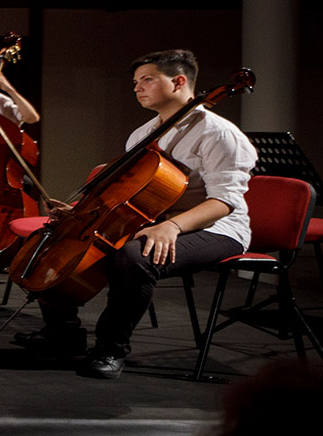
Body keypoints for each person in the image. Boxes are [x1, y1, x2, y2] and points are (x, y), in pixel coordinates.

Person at [16, 49, 253, 379]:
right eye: (135, 82)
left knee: (134, 258)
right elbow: (129, 194)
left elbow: (224, 202)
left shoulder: (219, 134)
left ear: (179, 81)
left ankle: (111, 347)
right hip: (156, 220)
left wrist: (171, 227)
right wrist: (81, 213)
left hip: (217, 228)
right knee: (54, 240)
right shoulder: (143, 135)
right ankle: (63, 332)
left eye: (147, 80)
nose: (137, 87)